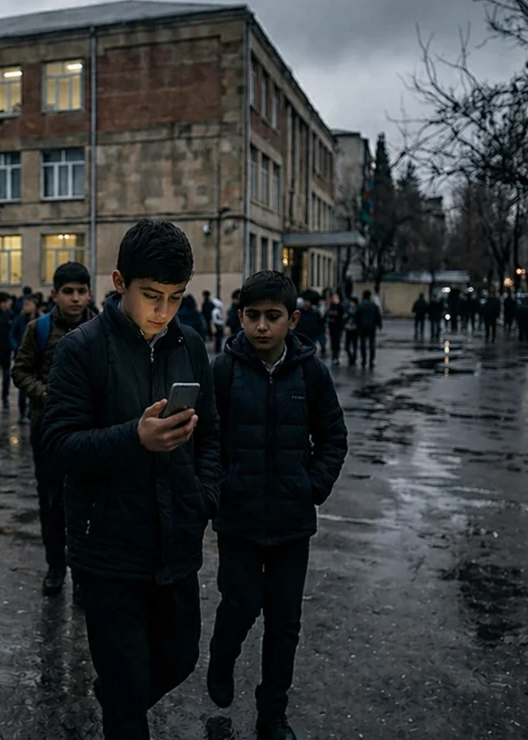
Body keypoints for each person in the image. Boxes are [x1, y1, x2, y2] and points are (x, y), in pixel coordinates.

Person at [42, 220, 222, 739]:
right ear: (120, 282)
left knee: (181, 659)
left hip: (176, 546)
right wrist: (133, 438)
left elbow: (211, 434)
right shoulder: (82, 349)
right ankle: (121, 705)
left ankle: (120, 697)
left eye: (175, 297)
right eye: (151, 295)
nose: (163, 311)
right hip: (109, 553)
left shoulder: (188, 345)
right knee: (127, 699)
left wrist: (203, 497)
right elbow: (58, 448)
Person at [206, 271, 348, 740]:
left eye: (273, 317)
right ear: (239, 317)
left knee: (285, 621)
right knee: (240, 604)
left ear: (293, 319)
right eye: (252, 316)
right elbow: (205, 441)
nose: (262, 326)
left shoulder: (310, 372)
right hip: (239, 520)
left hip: (291, 522)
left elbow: (333, 437)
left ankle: (273, 713)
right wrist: (223, 487)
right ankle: (222, 658)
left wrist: (311, 486)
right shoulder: (222, 371)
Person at [12, 262, 96, 598]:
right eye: (68, 292)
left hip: (91, 433)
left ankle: (83, 573)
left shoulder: (103, 327)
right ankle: (55, 567)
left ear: (89, 293)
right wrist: (47, 394)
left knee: (89, 504)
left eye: (81, 292)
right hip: (47, 432)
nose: (75, 299)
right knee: (51, 502)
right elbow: (20, 371)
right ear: (55, 295)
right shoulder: (39, 329)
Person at [355, 290, 383, 368]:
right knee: (372, 344)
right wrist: (380, 325)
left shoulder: (361, 305)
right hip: (372, 327)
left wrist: (356, 326)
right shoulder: (374, 305)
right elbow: (378, 316)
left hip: (362, 327)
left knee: (363, 344)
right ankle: (371, 361)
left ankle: (364, 360)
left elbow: (357, 317)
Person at [324, 292, 345, 365]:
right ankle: (334, 356)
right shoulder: (331, 306)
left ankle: (336, 356)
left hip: (338, 328)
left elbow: (342, 315)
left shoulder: (340, 306)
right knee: (333, 342)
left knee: (337, 342)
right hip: (332, 328)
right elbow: (327, 316)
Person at [343, 295, 360, 367]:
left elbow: (359, 320)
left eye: (352, 302)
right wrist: (346, 325)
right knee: (347, 346)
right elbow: (344, 318)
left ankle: (354, 357)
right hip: (348, 329)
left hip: (354, 330)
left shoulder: (358, 310)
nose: (351, 303)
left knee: (354, 345)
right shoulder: (348, 310)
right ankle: (351, 357)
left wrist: (355, 326)